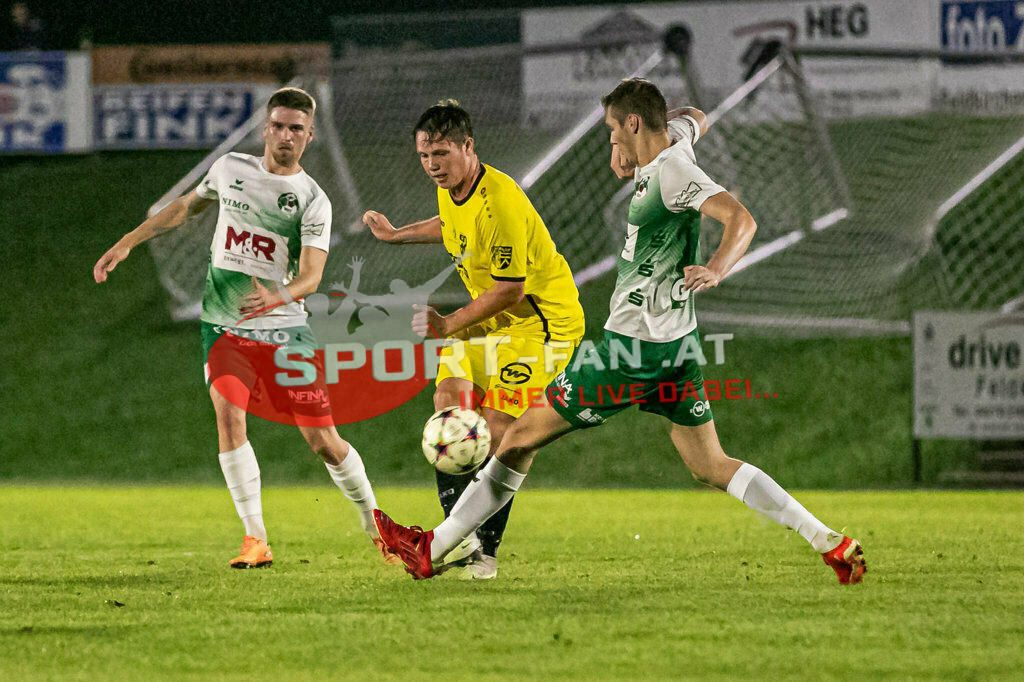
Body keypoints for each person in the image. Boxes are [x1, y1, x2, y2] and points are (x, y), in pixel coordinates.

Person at [374, 78, 867, 585]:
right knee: (709, 464)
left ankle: (433, 547)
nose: (611, 143)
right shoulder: (672, 142)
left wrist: (717, 267)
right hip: (677, 346)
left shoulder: (674, 171)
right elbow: (696, 115)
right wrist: (642, 146)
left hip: (632, 349)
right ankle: (829, 541)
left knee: (517, 438)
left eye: (613, 131)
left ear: (632, 123)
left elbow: (740, 219)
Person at [93, 87, 399, 569]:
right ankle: (255, 538)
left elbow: (313, 278)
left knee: (324, 442)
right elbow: (184, 208)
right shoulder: (230, 168)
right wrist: (128, 241)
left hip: (285, 332)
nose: (285, 136)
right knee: (228, 411)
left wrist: (277, 296)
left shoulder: (312, 200)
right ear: (265, 129)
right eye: (278, 125)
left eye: (296, 129)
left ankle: (374, 520)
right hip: (226, 326)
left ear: (309, 136)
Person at [363, 100, 586, 579]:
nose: (432, 165)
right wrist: (397, 235)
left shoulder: (500, 199)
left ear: (469, 147)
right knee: (450, 405)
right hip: (493, 323)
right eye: (424, 156)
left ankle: (484, 550)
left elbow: (511, 288)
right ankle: (457, 539)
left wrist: (449, 323)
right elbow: (451, 227)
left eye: (441, 153)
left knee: (502, 430)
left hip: (542, 325)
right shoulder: (452, 189)